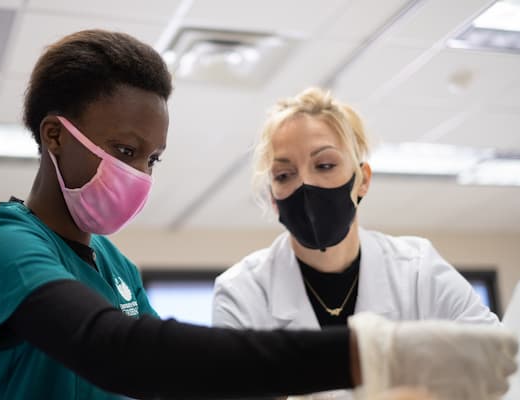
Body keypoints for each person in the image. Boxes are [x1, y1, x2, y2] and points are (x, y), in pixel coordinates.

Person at [0, 30, 516, 400]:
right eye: (125, 152)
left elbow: (176, 378)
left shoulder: (115, 264)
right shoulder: (3, 244)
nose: (141, 174)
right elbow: (118, 350)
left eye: (153, 159)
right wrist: (373, 353)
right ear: (54, 136)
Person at [212, 87, 502, 399]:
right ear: (273, 198)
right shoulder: (242, 291)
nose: (305, 185)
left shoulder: (418, 269)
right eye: (284, 175)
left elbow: (496, 361)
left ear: (362, 179)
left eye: (324, 166)